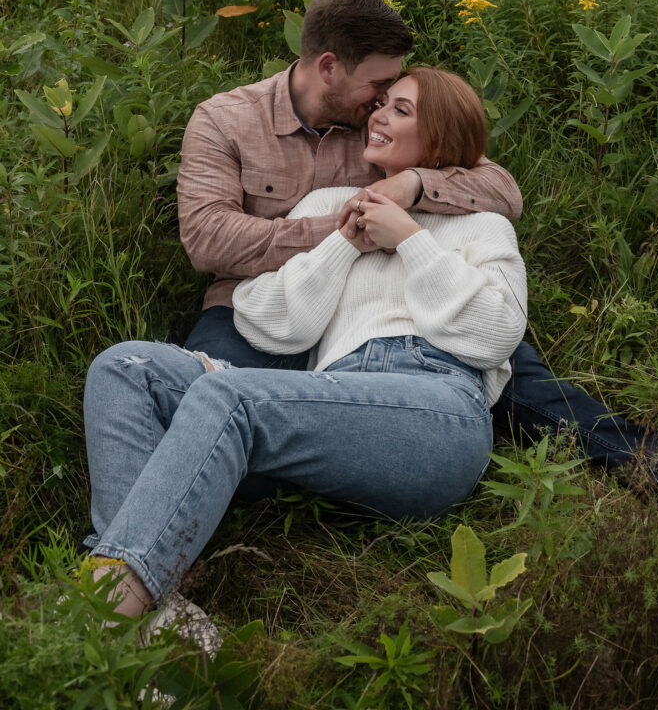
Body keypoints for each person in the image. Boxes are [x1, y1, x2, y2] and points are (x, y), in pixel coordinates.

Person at [177, 0, 658, 498]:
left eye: (393, 88)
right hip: (263, 305)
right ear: (329, 67)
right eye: (377, 83)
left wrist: (416, 184)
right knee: (195, 413)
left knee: (517, 377)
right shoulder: (226, 121)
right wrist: (351, 227)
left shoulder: (380, 122)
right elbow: (209, 239)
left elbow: (501, 189)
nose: (382, 98)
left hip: (393, 303)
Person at [81, 67, 526, 631]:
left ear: (439, 138)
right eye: (381, 101)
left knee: (230, 397)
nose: (379, 114)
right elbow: (272, 324)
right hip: (334, 395)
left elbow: (495, 333)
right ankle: (145, 604)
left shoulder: (482, 224)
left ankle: (100, 620)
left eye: (401, 109)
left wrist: (411, 241)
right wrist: (342, 244)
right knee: (124, 367)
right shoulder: (333, 201)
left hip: (436, 406)